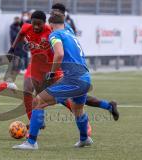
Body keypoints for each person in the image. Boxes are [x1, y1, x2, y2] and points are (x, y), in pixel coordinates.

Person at [13, 13, 92, 150]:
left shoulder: (55, 35)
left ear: (50, 25)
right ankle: (85, 138)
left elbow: (59, 53)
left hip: (72, 78)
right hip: (85, 77)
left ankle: (31, 143)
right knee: (78, 109)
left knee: (38, 102)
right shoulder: (70, 33)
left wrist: (53, 72)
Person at [51, 3, 119, 120]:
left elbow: (60, 50)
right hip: (70, 68)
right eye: (51, 12)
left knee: (43, 98)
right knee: (79, 97)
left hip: (66, 68)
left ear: (62, 14)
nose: (52, 14)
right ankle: (107, 106)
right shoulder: (63, 26)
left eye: (55, 12)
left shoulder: (61, 27)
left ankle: (34, 128)